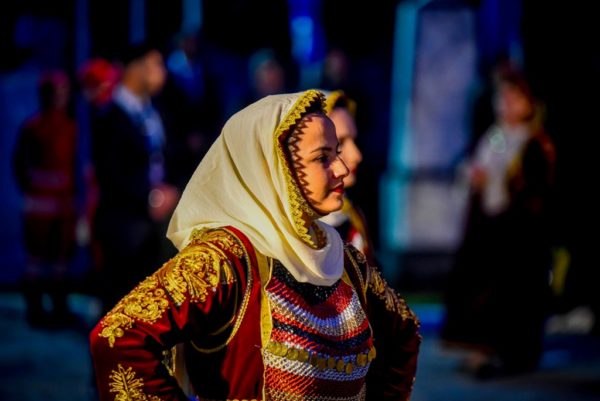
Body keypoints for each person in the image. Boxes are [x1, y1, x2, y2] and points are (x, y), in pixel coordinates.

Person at [89, 89, 421, 400]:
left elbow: (404, 332)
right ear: (274, 167)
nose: (343, 167)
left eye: (336, 153)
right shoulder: (222, 259)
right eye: (322, 157)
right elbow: (118, 337)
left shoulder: (346, 261)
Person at [441, 63, 556, 378]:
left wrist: (504, 186)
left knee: (513, 295)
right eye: (502, 97)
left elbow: (535, 191)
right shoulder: (495, 137)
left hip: (517, 234)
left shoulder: (534, 142)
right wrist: (474, 178)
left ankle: (511, 353)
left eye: (514, 98)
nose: (506, 104)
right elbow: (476, 169)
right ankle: (483, 349)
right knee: (481, 291)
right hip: (488, 227)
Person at [91, 42, 179, 314]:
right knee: (120, 305)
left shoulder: (156, 110)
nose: (162, 73)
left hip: (154, 225)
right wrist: (149, 196)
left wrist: (170, 191)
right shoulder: (110, 114)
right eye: (155, 65)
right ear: (135, 68)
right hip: (123, 224)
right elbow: (110, 172)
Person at [13, 70, 79, 328]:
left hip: (64, 204)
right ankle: (36, 308)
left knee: (61, 258)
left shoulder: (71, 127)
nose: (60, 97)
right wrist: (31, 189)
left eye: (64, 92)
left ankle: (58, 306)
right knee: (37, 258)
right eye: (56, 92)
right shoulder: (33, 127)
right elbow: (20, 164)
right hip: (39, 205)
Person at [320, 89, 376, 265]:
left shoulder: (351, 214)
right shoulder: (293, 232)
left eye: (354, 140)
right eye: (340, 143)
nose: (356, 155)